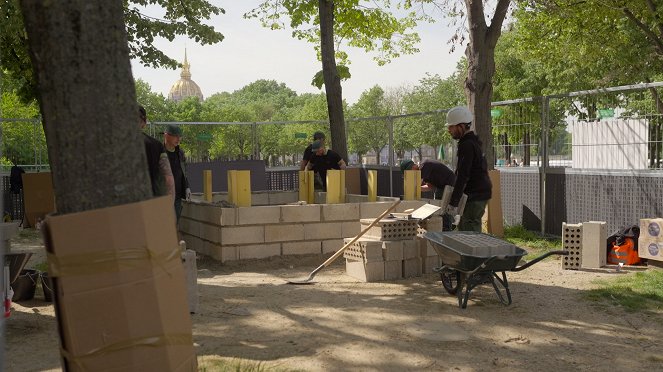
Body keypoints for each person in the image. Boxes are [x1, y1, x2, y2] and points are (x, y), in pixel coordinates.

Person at [445, 106, 492, 232]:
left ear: (461, 126)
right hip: (477, 193)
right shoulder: (472, 142)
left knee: (469, 232)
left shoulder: (467, 145)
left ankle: (475, 252)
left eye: (451, 126)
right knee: (465, 229)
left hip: (475, 195)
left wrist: (454, 202)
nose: (449, 130)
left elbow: (463, 175)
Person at [139, 105, 174, 198]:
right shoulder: (156, 145)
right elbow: (168, 178)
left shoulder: (112, 144)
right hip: (149, 200)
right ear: (144, 122)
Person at [163, 124, 191, 224]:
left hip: (177, 196)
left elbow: (184, 172)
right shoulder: (159, 151)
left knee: (174, 223)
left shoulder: (180, 153)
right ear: (166, 135)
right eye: (176, 136)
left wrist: (187, 187)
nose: (178, 139)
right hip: (163, 196)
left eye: (180, 136)